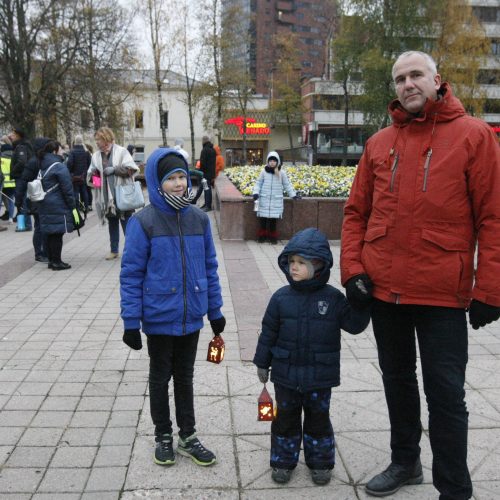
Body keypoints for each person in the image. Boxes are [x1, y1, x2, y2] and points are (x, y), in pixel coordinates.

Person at [340, 51, 500, 499]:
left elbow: (494, 217)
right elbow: (356, 214)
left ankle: (454, 488)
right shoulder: (379, 142)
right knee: (397, 380)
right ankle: (405, 461)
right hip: (384, 289)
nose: (407, 84)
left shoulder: (474, 137)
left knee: (446, 395)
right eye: (399, 78)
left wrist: (489, 287)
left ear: (436, 79)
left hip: (442, 295)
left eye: (415, 75)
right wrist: (352, 269)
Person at [120, 147, 226, 468]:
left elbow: (209, 266)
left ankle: (188, 435)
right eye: (171, 178)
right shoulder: (144, 222)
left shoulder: (198, 219)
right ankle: (163, 435)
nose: (179, 184)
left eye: (182, 176)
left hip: (191, 317)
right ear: (156, 181)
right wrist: (130, 321)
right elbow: (131, 273)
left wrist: (215, 310)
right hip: (158, 318)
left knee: (185, 377)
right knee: (159, 377)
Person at [253, 227, 370, 486]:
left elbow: (354, 325)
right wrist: (262, 362)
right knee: (285, 421)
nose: (294, 267)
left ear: (318, 265)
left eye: (301, 263)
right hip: (286, 376)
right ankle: (283, 461)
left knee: (318, 420)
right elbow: (268, 332)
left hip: (320, 376)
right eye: (291, 262)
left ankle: (320, 462)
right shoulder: (281, 298)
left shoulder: (333, 299)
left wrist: (362, 303)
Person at [86, 127, 138, 260]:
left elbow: (131, 169)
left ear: (106, 139)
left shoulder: (121, 152)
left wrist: (114, 170)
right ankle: (114, 250)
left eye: (98, 140)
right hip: (106, 197)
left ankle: (133, 251)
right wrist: (95, 177)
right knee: (113, 223)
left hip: (123, 195)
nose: (96, 143)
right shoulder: (96, 156)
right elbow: (93, 177)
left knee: (127, 224)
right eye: (96, 140)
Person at [35, 139, 76, 270]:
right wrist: (72, 205)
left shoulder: (43, 164)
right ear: (54, 151)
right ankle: (57, 262)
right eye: (61, 149)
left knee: (50, 233)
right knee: (57, 234)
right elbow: (67, 188)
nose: (63, 152)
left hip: (45, 203)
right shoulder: (58, 166)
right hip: (57, 204)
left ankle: (51, 260)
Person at [14, 137, 52, 263]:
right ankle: (39, 253)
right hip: (36, 199)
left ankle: (46, 251)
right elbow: (23, 181)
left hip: (44, 198)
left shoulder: (44, 160)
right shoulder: (34, 162)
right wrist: (18, 201)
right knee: (40, 226)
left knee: (43, 225)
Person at [252, 151, 298, 244]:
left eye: (274, 161)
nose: (272, 162)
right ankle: (262, 236)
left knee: (273, 221)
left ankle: (272, 237)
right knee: (263, 220)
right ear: (267, 161)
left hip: (275, 201)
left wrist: (293, 195)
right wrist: (256, 193)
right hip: (264, 199)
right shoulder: (263, 172)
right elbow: (258, 183)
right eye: (270, 160)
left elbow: (287, 185)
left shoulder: (281, 173)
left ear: (277, 162)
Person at [9, 127, 34, 232]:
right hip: (23, 176)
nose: (11, 136)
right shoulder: (22, 145)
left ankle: (26, 225)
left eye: (13, 134)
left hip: (21, 177)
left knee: (22, 200)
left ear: (18, 135)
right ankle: (24, 224)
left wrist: (13, 171)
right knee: (23, 200)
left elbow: (22, 162)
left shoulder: (21, 146)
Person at [67, 135, 92, 213]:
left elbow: (70, 163)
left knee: (76, 192)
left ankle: (77, 208)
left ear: (75, 141)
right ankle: (86, 207)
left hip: (75, 176)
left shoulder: (72, 151)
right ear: (82, 141)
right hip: (84, 175)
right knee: (84, 191)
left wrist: (70, 172)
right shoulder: (86, 152)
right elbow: (90, 163)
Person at [199, 135, 216, 212]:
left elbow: (202, 163)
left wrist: (201, 172)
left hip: (205, 173)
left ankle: (207, 206)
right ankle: (206, 204)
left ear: (203, 141)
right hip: (211, 173)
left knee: (206, 189)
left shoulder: (204, 150)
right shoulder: (212, 150)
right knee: (207, 189)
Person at [1, 143, 15, 224]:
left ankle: (7, 212)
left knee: (2, 199)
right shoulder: (14, 158)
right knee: (11, 200)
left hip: (2, 183)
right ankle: (11, 218)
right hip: (12, 183)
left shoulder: (1, 159)